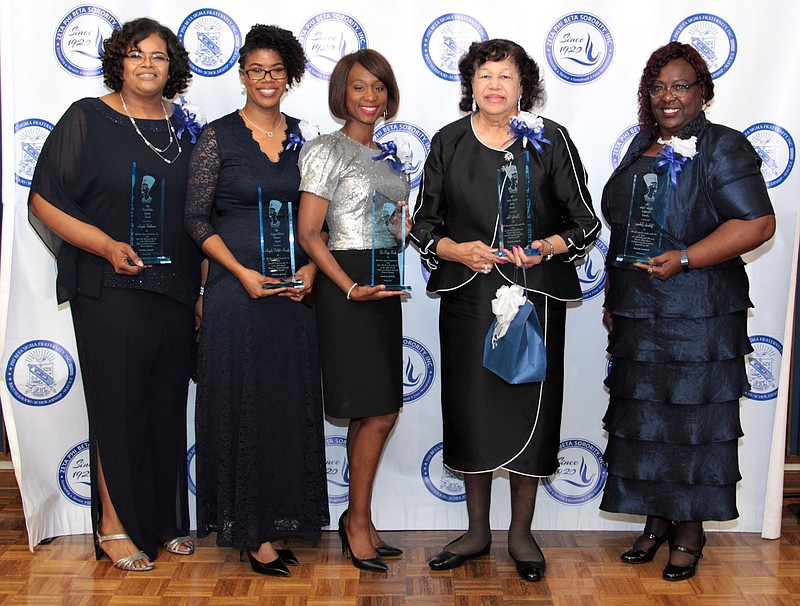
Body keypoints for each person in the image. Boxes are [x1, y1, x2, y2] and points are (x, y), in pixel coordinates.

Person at [410, 38, 600, 582]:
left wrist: (546, 247)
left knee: (529, 411)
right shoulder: (447, 142)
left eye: (506, 77)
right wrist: (455, 250)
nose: (494, 86)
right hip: (470, 298)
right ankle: (476, 531)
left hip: (534, 298)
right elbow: (424, 224)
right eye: (484, 76)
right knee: (471, 409)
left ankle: (520, 534)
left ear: (524, 86)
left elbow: (583, 221)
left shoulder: (551, 140)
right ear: (470, 83)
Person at [28, 18, 202, 571]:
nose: (147, 64)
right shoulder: (88, 117)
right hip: (110, 285)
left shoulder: (186, 128)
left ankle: (163, 519)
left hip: (175, 288)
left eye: (158, 56)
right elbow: (44, 201)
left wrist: (199, 287)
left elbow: (197, 215)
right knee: (118, 406)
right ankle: (113, 525)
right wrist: (104, 246)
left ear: (172, 66)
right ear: (118, 63)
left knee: (165, 405)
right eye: (135, 55)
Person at [599, 41, 775, 582]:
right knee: (648, 422)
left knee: (695, 421)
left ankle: (690, 530)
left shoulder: (723, 147)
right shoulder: (641, 146)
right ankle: (655, 521)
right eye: (658, 87)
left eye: (680, 86)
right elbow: (626, 230)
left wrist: (687, 258)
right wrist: (614, 299)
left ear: (703, 92)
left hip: (699, 314)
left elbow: (756, 224)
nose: (668, 97)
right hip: (640, 314)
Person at [185, 24, 329, 577]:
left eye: (275, 70)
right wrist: (240, 273)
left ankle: (281, 518)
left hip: (293, 296)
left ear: (288, 76)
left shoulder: (307, 138)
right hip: (235, 290)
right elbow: (195, 218)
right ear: (241, 74)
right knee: (240, 403)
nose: (265, 80)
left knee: (285, 404)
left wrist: (313, 269)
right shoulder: (217, 137)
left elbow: (326, 215)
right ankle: (250, 531)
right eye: (255, 70)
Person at [297, 49, 410, 573]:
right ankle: (356, 522)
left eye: (379, 87)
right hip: (348, 287)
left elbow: (389, 230)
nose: (370, 97)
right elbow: (309, 232)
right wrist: (346, 288)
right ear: (342, 91)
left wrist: (402, 228)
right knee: (374, 409)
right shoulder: (325, 149)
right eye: (359, 87)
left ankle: (357, 517)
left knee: (380, 409)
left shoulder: (388, 158)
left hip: (383, 282)